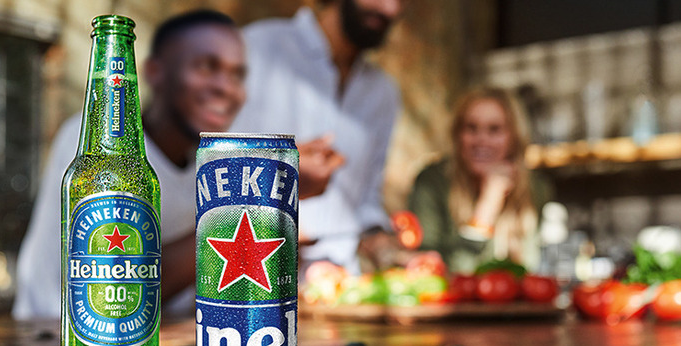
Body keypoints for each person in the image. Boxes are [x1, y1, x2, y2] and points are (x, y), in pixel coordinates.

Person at [14, 10, 343, 320]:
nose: (226, 88)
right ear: (154, 72)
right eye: (205, 67)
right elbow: (119, 289)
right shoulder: (98, 145)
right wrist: (267, 189)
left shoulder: (206, 162)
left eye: (237, 75)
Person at [230, 0, 405, 274]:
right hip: (251, 280)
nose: (390, 9)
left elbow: (367, 203)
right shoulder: (257, 48)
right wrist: (282, 178)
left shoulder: (383, 92)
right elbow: (209, 169)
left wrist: (387, 248)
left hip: (341, 288)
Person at [407, 87, 553, 273]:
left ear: (514, 137)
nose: (481, 139)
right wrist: (488, 203)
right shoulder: (431, 183)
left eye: (494, 130)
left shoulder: (535, 188)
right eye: (471, 128)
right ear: (458, 135)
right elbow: (436, 273)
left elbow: (529, 270)